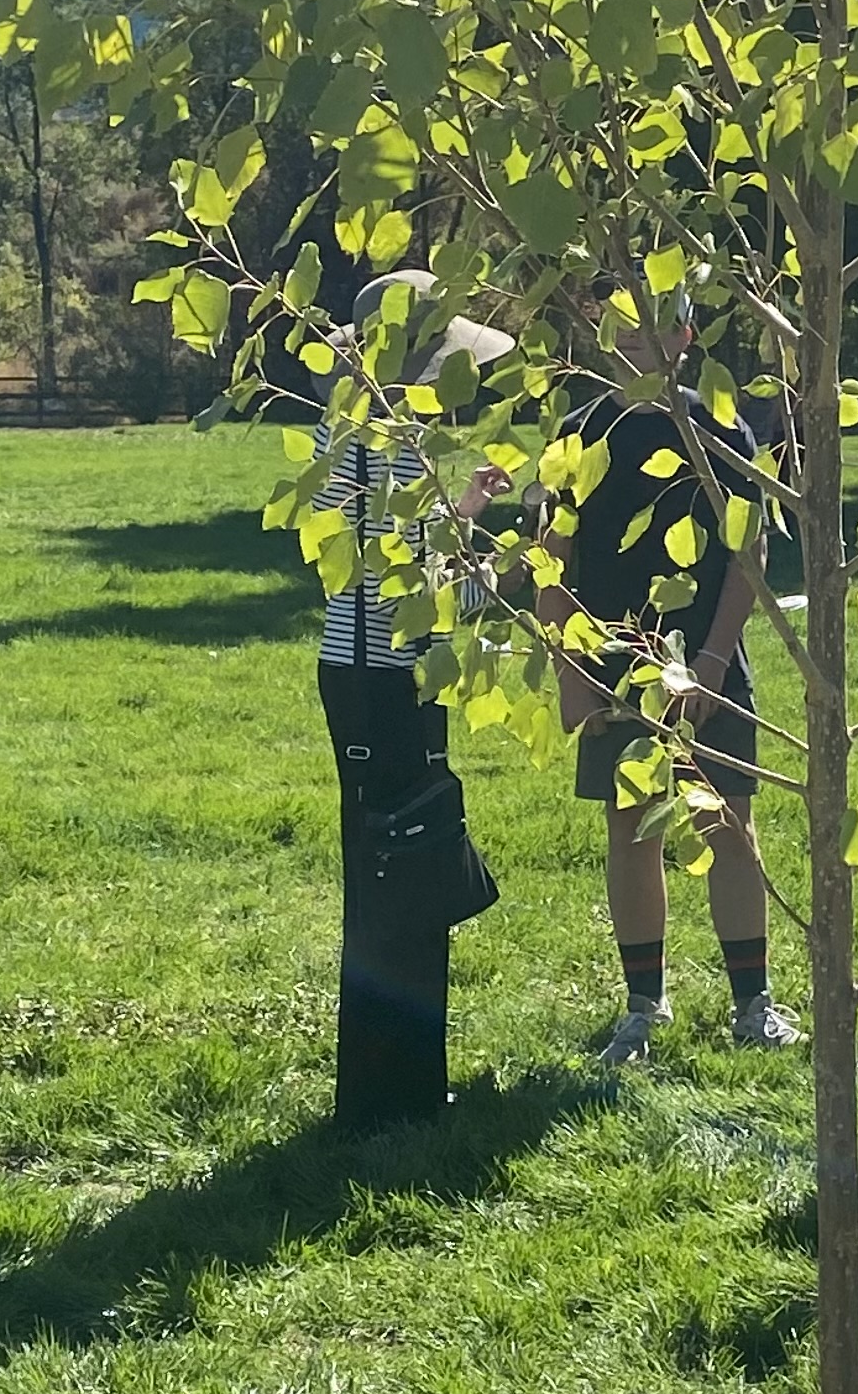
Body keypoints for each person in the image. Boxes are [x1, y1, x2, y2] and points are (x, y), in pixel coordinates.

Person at [554, 319, 801, 1066]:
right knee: (634, 831)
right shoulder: (579, 430)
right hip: (613, 672)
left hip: (707, 666)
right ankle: (642, 1005)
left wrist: (715, 661)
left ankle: (752, 1001)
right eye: (621, 321)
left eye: (653, 320)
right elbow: (551, 561)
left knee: (728, 826)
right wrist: (573, 677)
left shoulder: (717, 424)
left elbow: (746, 551)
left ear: (684, 332)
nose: (635, 335)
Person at [315, 272, 512, 1139]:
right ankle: (393, 1099)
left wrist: (464, 518)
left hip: (359, 673)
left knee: (389, 869)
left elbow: (356, 553)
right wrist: (500, 562)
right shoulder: (395, 437)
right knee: (407, 870)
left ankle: (392, 1089)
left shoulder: (346, 429)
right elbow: (414, 583)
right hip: (387, 676)